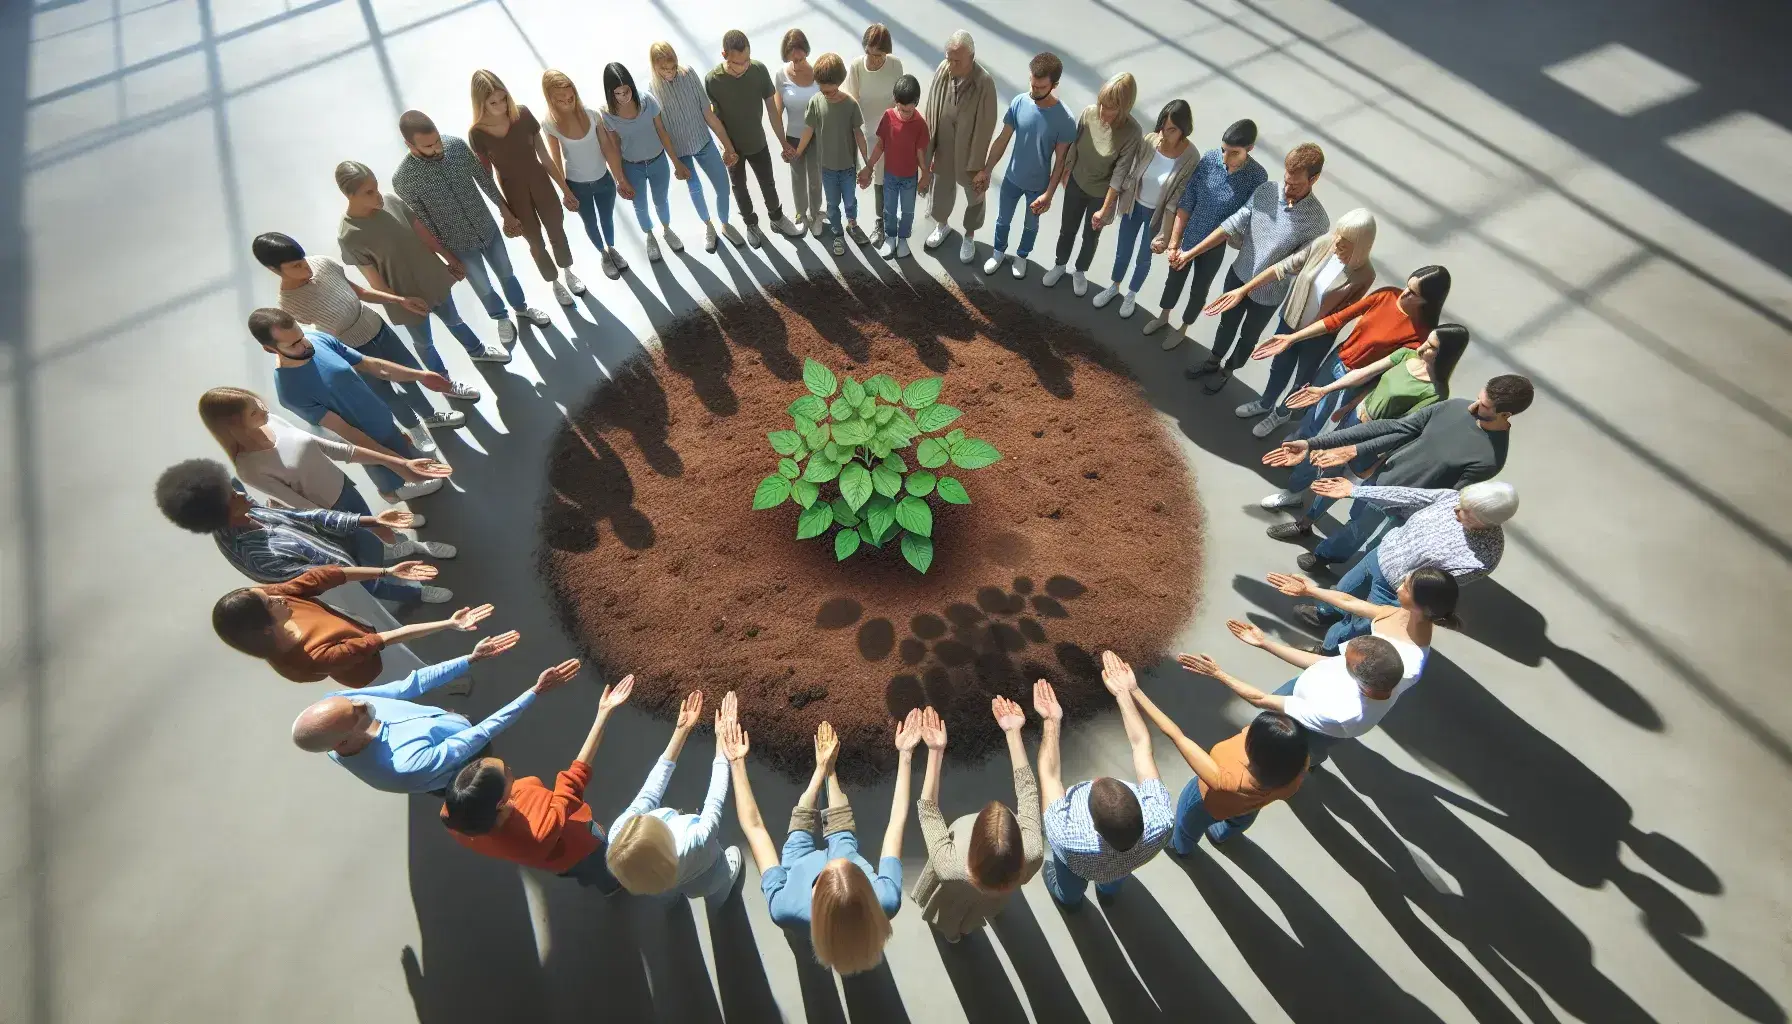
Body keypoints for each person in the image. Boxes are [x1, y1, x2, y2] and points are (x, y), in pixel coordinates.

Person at [1264, 374, 1533, 568]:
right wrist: (1313, 443)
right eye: (1479, 398)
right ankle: (1319, 542)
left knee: (1368, 537)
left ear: (1505, 414)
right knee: (1353, 516)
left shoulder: (1490, 458)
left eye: (1484, 406)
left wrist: (1402, 510)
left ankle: (1327, 558)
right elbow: (1392, 428)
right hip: (1379, 479)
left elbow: (1445, 500)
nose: (1473, 407)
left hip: (1405, 508)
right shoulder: (1453, 407)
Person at [729, 712, 915, 975]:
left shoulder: (785, 907)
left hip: (799, 862)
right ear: (866, 887)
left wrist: (736, 763)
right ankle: (831, 771)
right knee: (842, 838)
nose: (829, 859)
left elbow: (755, 827)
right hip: (825, 867)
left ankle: (826, 770)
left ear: (814, 893)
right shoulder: (885, 899)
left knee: (808, 832)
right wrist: (905, 756)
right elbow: (895, 821)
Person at [253, 231, 474, 444]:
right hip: (351, 351)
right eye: (296, 266)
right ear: (274, 270)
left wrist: (399, 300)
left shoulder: (323, 263)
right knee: (385, 393)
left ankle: (431, 417)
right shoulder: (289, 305)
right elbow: (315, 341)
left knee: (409, 376)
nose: (306, 266)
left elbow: (360, 292)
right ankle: (414, 427)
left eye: (301, 259)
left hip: (379, 330)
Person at [291, 632, 570, 794]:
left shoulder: (338, 703)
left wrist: (471, 658)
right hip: (463, 766)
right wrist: (534, 692)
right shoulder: (404, 766)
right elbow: (481, 733)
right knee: (496, 783)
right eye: (356, 713)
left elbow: (410, 685)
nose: (362, 702)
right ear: (342, 742)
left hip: (450, 731)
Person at [154, 458, 452, 604]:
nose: (244, 495)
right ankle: (417, 593)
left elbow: (307, 516)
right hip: (341, 582)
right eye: (234, 496)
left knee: (372, 552)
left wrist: (374, 521)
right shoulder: (258, 558)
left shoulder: (247, 509)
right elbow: (329, 579)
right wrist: (387, 573)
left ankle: (398, 555)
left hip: (336, 550)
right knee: (373, 587)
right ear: (218, 515)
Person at [442, 673, 636, 892]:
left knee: (576, 872)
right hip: (581, 847)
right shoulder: (540, 830)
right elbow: (574, 778)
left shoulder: (457, 814)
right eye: (506, 772)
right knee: (603, 866)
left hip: (554, 859)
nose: (510, 769)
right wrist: (604, 713)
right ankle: (613, 885)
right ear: (499, 803)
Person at [1264, 321, 1468, 521]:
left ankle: (1308, 520)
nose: (1422, 347)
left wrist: (1371, 459)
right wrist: (1327, 390)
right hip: (1354, 419)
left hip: (1372, 441)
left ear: (1446, 355)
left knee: (1340, 478)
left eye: (1432, 347)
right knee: (1318, 455)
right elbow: (1365, 374)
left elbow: (1401, 429)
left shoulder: (1436, 392)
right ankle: (1293, 494)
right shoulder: (1406, 355)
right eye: (1427, 341)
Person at [198, 387, 449, 544]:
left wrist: (398, 462)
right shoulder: (249, 468)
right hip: (331, 510)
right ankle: (400, 546)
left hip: (343, 486)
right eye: (254, 412)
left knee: (378, 528)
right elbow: (303, 507)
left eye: (258, 403)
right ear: (234, 426)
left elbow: (331, 448)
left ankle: (394, 538)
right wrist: (364, 521)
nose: (264, 409)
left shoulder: (272, 421)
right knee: (372, 535)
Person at [247, 308, 446, 505]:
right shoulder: (290, 390)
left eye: (301, 335)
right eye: (294, 344)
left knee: (400, 443)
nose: (305, 344)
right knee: (383, 468)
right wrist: (399, 465)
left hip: (383, 421)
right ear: (270, 349)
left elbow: (371, 365)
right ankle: (393, 490)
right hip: (367, 442)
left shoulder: (315, 338)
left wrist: (421, 376)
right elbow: (347, 433)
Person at [1253, 265, 1452, 458]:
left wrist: (1356, 401)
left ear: (1428, 301)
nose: (1404, 293)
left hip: (1359, 379)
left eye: (1413, 293)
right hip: (1337, 360)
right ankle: (1298, 433)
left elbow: (1387, 372)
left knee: (1325, 417)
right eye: (1408, 286)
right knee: (1311, 403)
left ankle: (1305, 449)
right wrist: (1291, 338)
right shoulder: (1386, 296)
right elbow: (1337, 320)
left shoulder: (1422, 334)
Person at [1208, 209, 1378, 434]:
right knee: (1279, 365)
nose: (1335, 247)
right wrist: (1244, 289)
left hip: (1317, 335)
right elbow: (1284, 267)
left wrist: (1311, 331)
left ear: (1360, 248)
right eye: (1337, 240)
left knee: (1302, 378)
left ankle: (1281, 413)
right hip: (1290, 320)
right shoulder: (1323, 244)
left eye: (1343, 247)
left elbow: (1345, 313)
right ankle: (1266, 402)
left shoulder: (1365, 275)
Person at [393, 110, 554, 346]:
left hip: (486, 227)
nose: (438, 148)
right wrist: (448, 257)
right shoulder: (404, 180)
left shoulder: (456, 146)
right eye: (428, 146)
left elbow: (483, 178)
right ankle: (500, 318)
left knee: (506, 272)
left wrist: (505, 211)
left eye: (437, 139)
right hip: (458, 243)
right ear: (409, 145)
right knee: (482, 285)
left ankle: (522, 308)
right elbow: (425, 222)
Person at [1180, 144, 1330, 391]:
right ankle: (1213, 360)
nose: (1288, 189)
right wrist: (1190, 254)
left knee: (1248, 336)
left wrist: (1246, 289)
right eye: (1286, 180)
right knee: (1226, 323)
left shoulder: (1317, 222)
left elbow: (1289, 266)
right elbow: (1233, 224)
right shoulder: (1266, 191)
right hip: (1239, 274)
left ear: (1314, 179)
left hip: (1268, 293)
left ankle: (1229, 370)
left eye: (1296, 185)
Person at [337, 161, 512, 372]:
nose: (378, 195)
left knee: (455, 320)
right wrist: (402, 301)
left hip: (433, 281)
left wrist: (450, 259)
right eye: (369, 192)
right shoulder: (350, 236)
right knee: (425, 343)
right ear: (350, 195)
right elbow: (375, 282)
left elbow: (424, 235)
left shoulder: (392, 202)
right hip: (406, 299)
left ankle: (478, 352)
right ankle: (443, 381)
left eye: (376, 186)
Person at [1294, 480, 1515, 647]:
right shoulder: (1452, 499)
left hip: (1395, 591)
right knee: (1344, 589)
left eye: (1466, 512)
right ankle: (1325, 613)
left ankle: (1329, 650)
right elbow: (1406, 496)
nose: (1456, 510)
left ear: (1485, 522)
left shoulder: (1482, 557)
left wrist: (1403, 597)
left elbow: (1432, 585)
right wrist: (1354, 491)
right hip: (1378, 558)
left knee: (1357, 627)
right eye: (1461, 503)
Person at [1039, 653, 1172, 906]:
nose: (1098, 777)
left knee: (1069, 889)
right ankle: (1108, 893)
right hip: (1125, 864)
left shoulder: (1066, 837)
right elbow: (1141, 745)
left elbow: (1050, 776)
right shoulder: (1162, 820)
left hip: (1078, 866)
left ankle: (1070, 902)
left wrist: (1051, 721)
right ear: (1141, 809)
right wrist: (1123, 693)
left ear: (1093, 826)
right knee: (1115, 878)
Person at [909, 696, 1042, 941]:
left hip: (953, 898)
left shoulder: (949, 867)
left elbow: (927, 810)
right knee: (978, 914)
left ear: (975, 837)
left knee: (949, 919)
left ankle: (952, 936)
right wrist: (1013, 733)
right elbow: (1028, 791)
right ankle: (965, 930)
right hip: (995, 900)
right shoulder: (1033, 852)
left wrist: (936, 752)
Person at [1178, 629, 1417, 766]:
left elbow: (1262, 699)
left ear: (1364, 685)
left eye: (1347, 663)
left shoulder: (1342, 713)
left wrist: (1219, 674)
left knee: (1302, 750)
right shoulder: (1396, 672)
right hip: (1304, 695)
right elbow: (1321, 664)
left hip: (1311, 725)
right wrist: (1265, 644)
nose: (1340, 660)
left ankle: (1301, 765)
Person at [212, 571, 491, 687]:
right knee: (412, 680)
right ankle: (443, 696)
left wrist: (387, 571)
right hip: (372, 670)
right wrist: (450, 623)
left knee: (414, 664)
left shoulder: (276, 602)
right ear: (264, 628)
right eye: (270, 603)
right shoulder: (312, 657)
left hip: (364, 640)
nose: (276, 596)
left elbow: (325, 576)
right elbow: (386, 638)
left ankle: (447, 681)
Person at [605, 690, 742, 905]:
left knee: (669, 886)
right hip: (706, 875)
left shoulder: (619, 835)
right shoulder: (695, 840)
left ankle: (673, 894)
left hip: (667, 881)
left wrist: (682, 730)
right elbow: (714, 800)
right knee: (717, 877)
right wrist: (722, 741)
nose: (644, 814)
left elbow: (649, 794)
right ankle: (725, 880)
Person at [1130, 690, 1308, 853]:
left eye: (1250, 733)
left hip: (1206, 802)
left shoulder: (1225, 779)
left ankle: (1180, 848)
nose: (1246, 730)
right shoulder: (1298, 768)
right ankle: (1220, 834)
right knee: (1241, 817)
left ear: (1255, 749)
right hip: (1249, 805)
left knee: (1187, 828)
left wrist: (1134, 691)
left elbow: (1177, 736)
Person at [467, 70, 584, 305]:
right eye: (493, 102)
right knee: (535, 242)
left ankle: (568, 271)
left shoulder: (523, 115)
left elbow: (545, 156)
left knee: (556, 230)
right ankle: (554, 282)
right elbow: (486, 179)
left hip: (541, 184)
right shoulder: (477, 134)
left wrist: (566, 190)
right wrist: (505, 212)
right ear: (481, 103)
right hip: (514, 194)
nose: (501, 105)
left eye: (503, 98)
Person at [1146, 119, 1266, 348]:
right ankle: (1163, 316)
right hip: (1190, 234)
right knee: (1174, 278)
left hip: (1215, 244)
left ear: (1249, 149)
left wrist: (1191, 253)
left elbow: (1238, 221)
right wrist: (1174, 243)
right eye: (1223, 150)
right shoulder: (1210, 160)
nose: (1225, 158)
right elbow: (1188, 198)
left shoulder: (1257, 176)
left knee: (1200, 287)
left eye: (1233, 153)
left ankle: (1184, 327)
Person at [1094, 99, 1199, 317]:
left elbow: (1175, 198)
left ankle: (1131, 294)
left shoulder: (1190, 157)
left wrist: (1166, 234)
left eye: (1171, 129)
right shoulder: (1151, 140)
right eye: (1162, 125)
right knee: (1123, 250)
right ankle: (1114, 286)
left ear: (1183, 129)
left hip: (1157, 214)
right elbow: (1131, 172)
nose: (1164, 133)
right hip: (1134, 204)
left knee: (1143, 256)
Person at [1042, 73, 1144, 297]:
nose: (1102, 112)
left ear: (1125, 107)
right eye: (1101, 105)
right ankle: (1060, 264)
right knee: (1067, 228)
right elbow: (1075, 146)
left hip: (1101, 193)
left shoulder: (1133, 133)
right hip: (1076, 182)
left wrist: (1105, 209)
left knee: (1090, 236)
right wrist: (1066, 173)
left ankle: (1080, 271)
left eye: (1110, 109)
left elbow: (1120, 173)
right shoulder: (1089, 114)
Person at [977, 53, 1078, 280]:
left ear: (1054, 85)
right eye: (1032, 84)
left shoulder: (1066, 120)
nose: (1034, 91)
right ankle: (998, 252)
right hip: (1012, 179)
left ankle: (1022, 256)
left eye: (1041, 87)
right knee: (1002, 220)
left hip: (1038, 187)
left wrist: (1049, 195)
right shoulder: (1019, 102)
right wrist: (986, 170)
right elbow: (1002, 139)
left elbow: (1060, 162)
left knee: (1030, 226)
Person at [707, 30, 805, 247]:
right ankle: (751, 224)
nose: (742, 67)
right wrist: (726, 148)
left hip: (757, 142)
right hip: (733, 148)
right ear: (724, 55)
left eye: (746, 61)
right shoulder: (713, 80)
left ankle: (777, 219)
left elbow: (772, 110)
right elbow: (715, 119)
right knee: (739, 187)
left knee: (767, 183)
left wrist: (783, 142)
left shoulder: (758, 70)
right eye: (736, 63)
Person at [648, 42, 745, 253]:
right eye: (664, 69)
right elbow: (661, 131)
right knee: (695, 189)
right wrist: (675, 162)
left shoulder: (689, 74)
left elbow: (708, 113)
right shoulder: (652, 90)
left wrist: (728, 146)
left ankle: (725, 224)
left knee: (722, 186)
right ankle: (708, 226)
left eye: (672, 67)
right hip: (680, 151)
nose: (670, 72)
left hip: (703, 142)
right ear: (654, 66)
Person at [540, 70, 628, 279]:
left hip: (603, 180)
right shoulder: (550, 125)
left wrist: (619, 178)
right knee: (590, 223)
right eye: (561, 101)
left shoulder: (592, 115)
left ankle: (612, 248)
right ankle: (603, 254)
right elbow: (556, 160)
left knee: (607, 219)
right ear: (551, 99)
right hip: (577, 186)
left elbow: (607, 147)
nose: (568, 103)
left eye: (571, 98)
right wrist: (565, 191)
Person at [921, 30, 999, 265]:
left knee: (974, 193)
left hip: (969, 150)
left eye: (958, 61)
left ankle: (969, 235)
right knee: (941, 185)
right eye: (949, 58)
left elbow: (986, 124)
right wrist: (930, 148)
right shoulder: (943, 70)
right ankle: (942, 225)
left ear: (971, 57)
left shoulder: (984, 83)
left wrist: (979, 164)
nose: (952, 64)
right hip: (944, 144)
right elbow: (932, 107)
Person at [600, 62, 690, 262]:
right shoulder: (607, 114)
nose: (624, 97)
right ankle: (650, 236)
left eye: (627, 91)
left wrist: (676, 162)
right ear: (610, 93)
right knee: (640, 205)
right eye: (618, 94)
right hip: (632, 166)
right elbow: (613, 148)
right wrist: (619, 178)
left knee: (661, 200)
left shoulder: (648, 101)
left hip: (658, 161)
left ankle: (667, 229)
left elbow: (662, 132)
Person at [1269, 562, 1459, 655]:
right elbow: (1351, 603)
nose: (1399, 588)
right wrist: (1309, 590)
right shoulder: (1407, 615)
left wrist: (1265, 643)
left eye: (1406, 588)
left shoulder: (1405, 653)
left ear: (1420, 604)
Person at [788, 52, 869, 256]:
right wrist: (798, 152)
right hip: (827, 169)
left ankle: (852, 224)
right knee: (832, 204)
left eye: (831, 91)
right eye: (823, 91)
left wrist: (868, 162)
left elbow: (859, 134)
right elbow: (808, 130)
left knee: (850, 201)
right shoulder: (816, 102)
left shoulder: (850, 104)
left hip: (849, 167)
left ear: (840, 81)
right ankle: (837, 232)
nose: (827, 94)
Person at [843, 25, 904, 249]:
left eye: (879, 55)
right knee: (866, 178)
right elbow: (852, 103)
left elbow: (898, 100)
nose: (874, 59)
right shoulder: (857, 67)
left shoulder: (895, 65)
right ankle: (862, 220)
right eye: (869, 53)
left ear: (886, 53)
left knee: (884, 180)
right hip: (865, 134)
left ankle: (884, 222)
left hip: (889, 134)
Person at [858, 74, 930, 260]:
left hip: (909, 178)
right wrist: (869, 167)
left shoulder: (920, 124)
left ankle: (903, 238)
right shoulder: (888, 117)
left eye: (909, 109)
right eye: (901, 108)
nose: (905, 113)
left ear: (916, 101)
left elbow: (921, 151)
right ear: (896, 101)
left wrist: (925, 174)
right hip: (890, 176)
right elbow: (881, 145)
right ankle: (890, 237)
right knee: (889, 209)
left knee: (907, 210)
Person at [773, 32, 824, 237]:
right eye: (792, 59)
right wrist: (783, 143)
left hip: (816, 135)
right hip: (793, 136)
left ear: (807, 53)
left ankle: (816, 213)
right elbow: (776, 112)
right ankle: (801, 214)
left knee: (815, 176)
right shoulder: (781, 75)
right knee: (797, 178)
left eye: (800, 59)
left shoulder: (818, 73)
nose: (797, 63)